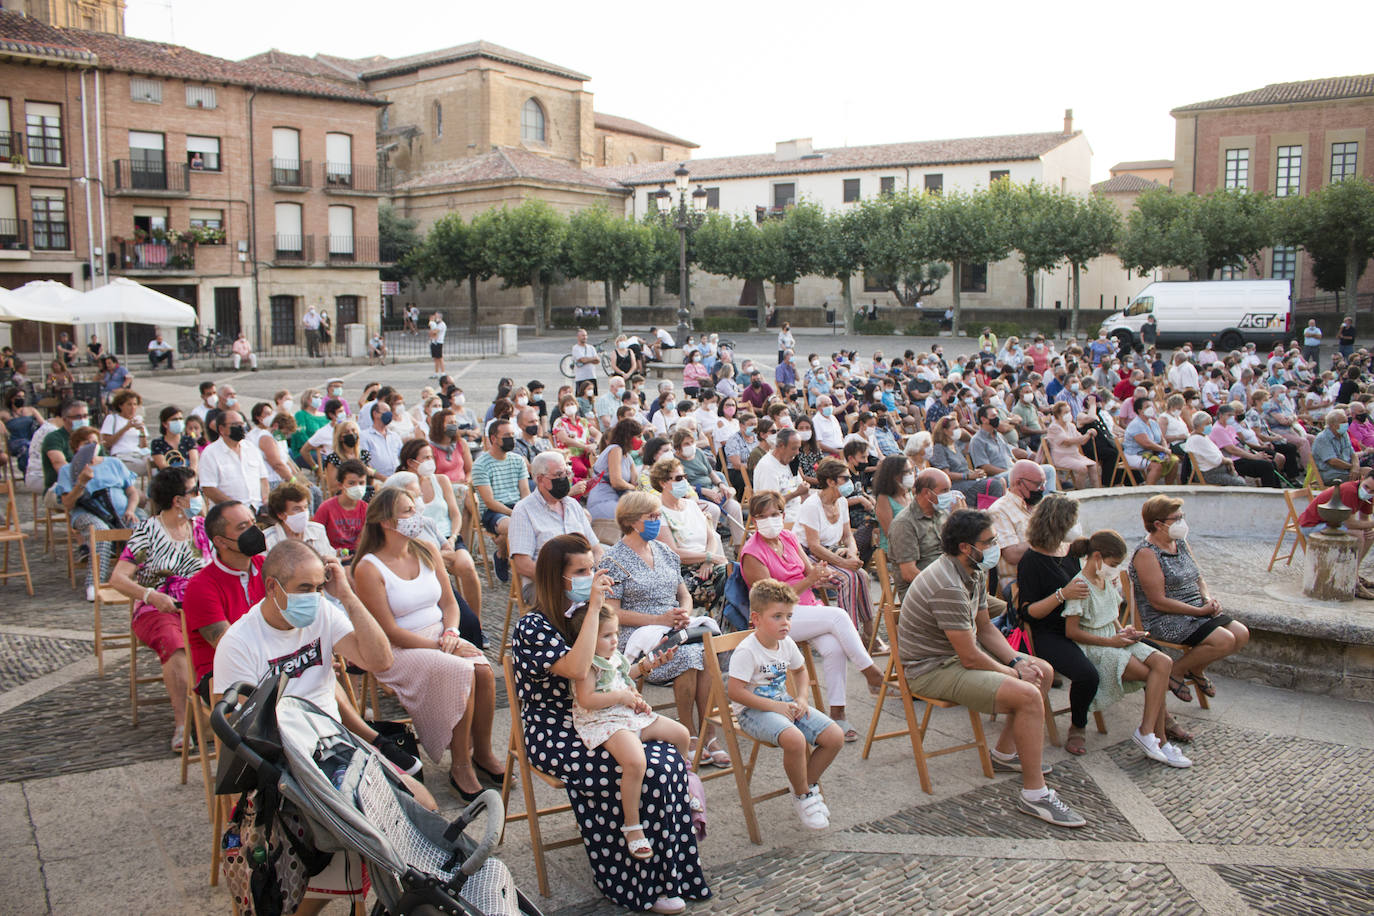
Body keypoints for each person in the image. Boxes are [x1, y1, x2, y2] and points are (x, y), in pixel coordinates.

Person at [212, 539, 419, 911]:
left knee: (423, 807)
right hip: (282, 761)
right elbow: (235, 735)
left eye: (318, 587)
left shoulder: (323, 611)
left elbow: (379, 659)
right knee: (355, 831)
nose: (314, 596)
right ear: (273, 587)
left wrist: (346, 594)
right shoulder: (239, 642)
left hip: (333, 745)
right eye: (304, 589)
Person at [510, 533, 708, 912]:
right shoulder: (534, 626)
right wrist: (598, 604)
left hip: (605, 714)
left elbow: (609, 677)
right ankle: (637, 880)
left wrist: (643, 668)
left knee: (666, 757)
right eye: (581, 571)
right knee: (639, 770)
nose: (592, 575)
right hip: (555, 727)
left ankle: (673, 869)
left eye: (592, 566)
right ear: (556, 577)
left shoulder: (589, 615)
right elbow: (577, 668)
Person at [897, 508, 1086, 827]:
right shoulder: (947, 585)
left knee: (1043, 671)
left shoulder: (972, 572)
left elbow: (985, 629)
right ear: (966, 548)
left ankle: (1003, 754)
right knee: (1027, 694)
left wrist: (1017, 661)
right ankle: (1035, 794)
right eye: (990, 541)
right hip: (931, 670)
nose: (996, 546)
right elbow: (970, 656)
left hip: (956, 658)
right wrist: (1015, 673)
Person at [352, 488, 502, 800]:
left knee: (484, 671)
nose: (416, 518)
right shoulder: (369, 567)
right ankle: (460, 764)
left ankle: (482, 753)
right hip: (400, 648)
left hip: (439, 634)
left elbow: (450, 603)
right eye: (408, 512)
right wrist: (438, 647)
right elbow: (389, 631)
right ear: (386, 521)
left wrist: (450, 634)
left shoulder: (425, 550)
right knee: (460, 670)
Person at [740, 490, 883, 740]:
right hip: (776, 617)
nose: (770, 520)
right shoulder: (752, 553)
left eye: (774, 514)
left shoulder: (788, 537)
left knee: (834, 648)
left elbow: (809, 570)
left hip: (806, 607)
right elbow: (771, 599)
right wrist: (809, 580)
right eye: (762, 516)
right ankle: (871, 672)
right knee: (838, 616)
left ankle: (838, 714)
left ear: (783, 514)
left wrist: (820, 574)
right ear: (753, 520)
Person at [598, 491, 727, 763]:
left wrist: (683, 614)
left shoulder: (665, 551)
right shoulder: (613, 559)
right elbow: (613, 613)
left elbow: (684, 594)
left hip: (672, 626)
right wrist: (660, 620)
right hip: (637, 634)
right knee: (691, 655)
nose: (658, 521)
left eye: (659, 515)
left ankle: (708, 731)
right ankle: (691, 732)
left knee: (706, 650)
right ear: (633, 521)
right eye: (653, 517)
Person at [570, 601, 693, 858]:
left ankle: (686, 783)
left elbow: (627, 673)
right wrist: (621, 697)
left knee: (681, 734)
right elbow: (587, 700)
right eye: (606, 635)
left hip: (628, 715)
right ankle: (632, 825)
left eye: (615, 633)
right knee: (636, 761)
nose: (614, 640)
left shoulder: (612, 657)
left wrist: (650, 664)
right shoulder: (586, 665)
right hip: (603, 721)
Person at [1062, 529, 1190, 767]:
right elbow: (1072, 631)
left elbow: (1111, 615)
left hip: (1113, 638)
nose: (1115, 569)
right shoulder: (1079, 585)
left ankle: (1152, 734)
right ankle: (1154, 736)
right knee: (1154, 677)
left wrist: (1124, 631)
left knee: (1163, 663)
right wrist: (1111, 641)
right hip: (1094, 646)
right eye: (1113, 564)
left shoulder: (1104, 580)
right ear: (1097, 557)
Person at [729, 578, 845, 830]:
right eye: (777, 617)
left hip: (784, 703)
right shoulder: (747, 651)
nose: (785, 623)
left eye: (789, 616)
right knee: (795, 740)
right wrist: (776, 707)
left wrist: (802, 698)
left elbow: (801, 671)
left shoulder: (787, 642)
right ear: (757, 619)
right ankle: (804, 796)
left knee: (835, 736)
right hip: (753, 711)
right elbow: (735, 692)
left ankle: (804, 785)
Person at [109, 467, 210, 751]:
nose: (199, 496)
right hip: (158, 609)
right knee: (175, 644)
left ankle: (222, 712)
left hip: (198, 606)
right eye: (194, 491)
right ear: (178, 500)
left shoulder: (202, 527)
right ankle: (182, 723)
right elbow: (118, 578)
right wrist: (150, 595)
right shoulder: (148, 531)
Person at [1130, 495, 1250, 705]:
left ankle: (1195, 668)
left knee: (1241, 634)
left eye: (1181, 516)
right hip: (1164, 617)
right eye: (1176, 518)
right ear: (1158, 524)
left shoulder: (1180, 542)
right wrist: (1199, 612)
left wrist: (1207, 599)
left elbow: (1198, 576)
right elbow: (1158, 601)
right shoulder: (1147, 553)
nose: (1181, 522)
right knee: (1224, 640)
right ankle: (1176, 670)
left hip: (1195, 609)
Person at [1014, 494, 1100, 756]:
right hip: (1049, 631)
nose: (1077, 525)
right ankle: (1078, 727)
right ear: (1059, 525)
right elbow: (1028, 612)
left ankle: (1161, 723)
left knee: (1144, 653)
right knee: (1088, 675)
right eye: (1072, 521)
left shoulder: (1070, 551)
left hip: (1080, 623)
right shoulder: (1032, 560)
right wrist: (1062, 595)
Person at [181, 500, 267, 696]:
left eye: (253, 523)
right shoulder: (201, 586)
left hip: (272, 663)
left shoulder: (268, 567)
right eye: (243, 527)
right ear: (220, 541)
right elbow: (228, 647)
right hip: (222, 675)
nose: (254, 531)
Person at [796, 457, 878, 649]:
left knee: (862, 576)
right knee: (847, 579)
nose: (849, 482)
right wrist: (844, 563)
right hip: (806, 555)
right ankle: (849, 636)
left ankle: (869, 633)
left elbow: (848, 535)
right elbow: (814, 546)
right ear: (831, 481)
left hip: (830, 551)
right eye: (844, 478)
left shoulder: (841, 502)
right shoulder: (812, 505)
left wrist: (852, 553)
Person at [56, 426, 143, 600]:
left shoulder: (114, 463)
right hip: (89, 512)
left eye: (94, 442)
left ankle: (144, 579)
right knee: (100, 531)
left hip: (122, 511)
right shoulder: (69, 470)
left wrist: (130, 509)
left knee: (143, 529)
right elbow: (67, 503)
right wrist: (81, 483)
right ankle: (93, 583)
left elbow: (132, 492)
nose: (91, 446)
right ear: (76, 447)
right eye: (86, 443)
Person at [649, 457, 729, 622]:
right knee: (730, 576)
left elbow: (711, 537)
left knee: (735, 574)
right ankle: (721, 628)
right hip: (684, 573)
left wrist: (708, 559)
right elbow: (674, 553)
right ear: (663, 483)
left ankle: (725, 626)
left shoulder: (691, 505)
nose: (684, 481)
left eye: (684, 476)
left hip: (708, 565)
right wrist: (709, 558)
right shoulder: (659, 512)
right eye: (679, 478)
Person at [472, 419, 531, 582]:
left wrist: (523, 509)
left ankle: (502, 550)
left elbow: (525, 491)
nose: (511, 439)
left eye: (512, 435)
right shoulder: (480, 465)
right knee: (515, 525)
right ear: (493, 439)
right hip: (493, 512)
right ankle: (506, 556)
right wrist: (515, 513)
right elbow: (489, 502)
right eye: (506, 436)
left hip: (516, 506)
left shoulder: (518, 460)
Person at [888, 468, 962, 587]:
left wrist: (960, 521)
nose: (949, 495)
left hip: (952, 581)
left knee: (1000, 606)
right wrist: (946, 585)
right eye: (944, 491)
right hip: (926, 590)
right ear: (927, 493)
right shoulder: (904, 523)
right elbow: (909, 573)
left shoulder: (942, 514)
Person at [199, 409, 268, 510]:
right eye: (235, 424)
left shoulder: (251, 448)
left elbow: (263, 478)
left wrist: (265, 501)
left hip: (257, 509)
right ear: (222, 429)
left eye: (242, 424)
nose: (240, 428)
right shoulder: (210, 453)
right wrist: (236, 508)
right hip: (228, 513)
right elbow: (208, 488)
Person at [264, 480, 335, 557]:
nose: (303, 513)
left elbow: (330, 560)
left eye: (305, 507)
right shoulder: (267, 540)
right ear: (280, 514)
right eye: (297, 509)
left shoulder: (318, 530)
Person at [753, 428, 809, 524]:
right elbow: (769, 504)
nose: (797, 453)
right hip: (780, 517)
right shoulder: (767, 467)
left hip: (797, 510)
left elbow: (801, 488)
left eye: (798, 448)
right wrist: (796, 493)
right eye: (794, 448)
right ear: (781, 446)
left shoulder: (791, 461)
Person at [313, 459, 370, 553]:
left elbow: (365, 539)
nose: (357, 487)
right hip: (331, 554)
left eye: (361, 483)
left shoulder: (366, 509)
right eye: (351, 483)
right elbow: (316, 537)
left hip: (357, 554)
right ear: (340, 485)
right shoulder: (326, 508)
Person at [1184, 413, 1249, 486]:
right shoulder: (1197, 439)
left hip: (1217, 470)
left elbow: (1217, 454)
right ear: (1198, 425)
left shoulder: (1203, 437)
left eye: (1210, 423)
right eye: (1207, 424)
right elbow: (1216, 460)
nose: (1210, 426)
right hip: (1209, 474)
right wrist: (1228, 461)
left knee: (1240, 479)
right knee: (1240, 483)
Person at [1045, 401, 1100, 489]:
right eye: (1065, 412)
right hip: (1062, 457)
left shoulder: (1071, 426)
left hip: (1075, 455)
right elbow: (1067, 441)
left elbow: (1082, 441)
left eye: (1069, 412)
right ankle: (1080, 493)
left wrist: (1090, 433)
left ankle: (1099, 492)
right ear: (1058, 415)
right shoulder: (1054, 427)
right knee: (1082, 468)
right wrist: (1086, 435)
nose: (1068, 414)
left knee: (1094, 466)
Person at [99, 389, 150, 477]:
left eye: (135, 404)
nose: (133, 407)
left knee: (157, 462)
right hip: (122, 455)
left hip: (139, 454)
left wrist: (142, 432)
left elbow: (144, 447)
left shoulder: (138, 419)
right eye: (129, 404)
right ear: (121, 406)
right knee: (148, 467)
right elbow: (106, 443)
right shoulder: (112, 418)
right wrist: (126, 428)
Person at [1312, 408, 1356, 486]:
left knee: (1369, 473)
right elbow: (1333, 461)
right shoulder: (1322, 438)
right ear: (1333, 425)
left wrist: (1356, 467)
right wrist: (1352, 467)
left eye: (1346, 421)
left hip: (1347, 470)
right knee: (1360, 479)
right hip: (1331, 474)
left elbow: (1352, 453)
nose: (1346, 424)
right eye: (1343, 422)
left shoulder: (1344, 434)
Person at [360, 401, 403, 478]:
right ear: (375, 414)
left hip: (397, 477)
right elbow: (365, 463)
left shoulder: (395, 436)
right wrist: (382, 478)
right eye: (386, 411)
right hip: (377, 480)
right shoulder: (365, 436)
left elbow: (401, 456)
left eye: (390, 411)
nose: (389, 414)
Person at [150, 405, 199, 472]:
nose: (178, 422)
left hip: (188, 477)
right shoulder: (157, 443)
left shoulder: (189, 440)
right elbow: (163, 466)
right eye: (174, 419)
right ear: (165, 424)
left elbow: (194, 464)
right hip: (168, 478)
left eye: (180, 419)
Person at [429, 310, 448, 376]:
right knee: (435, 358)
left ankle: (443, 372)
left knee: (440, 357)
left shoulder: (442, 324)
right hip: (434, 342)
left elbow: (434, 332)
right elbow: (431, 333)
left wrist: (432, 331)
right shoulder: (436, 324)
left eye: (436, 316)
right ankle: (436, 372)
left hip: (439, 342)